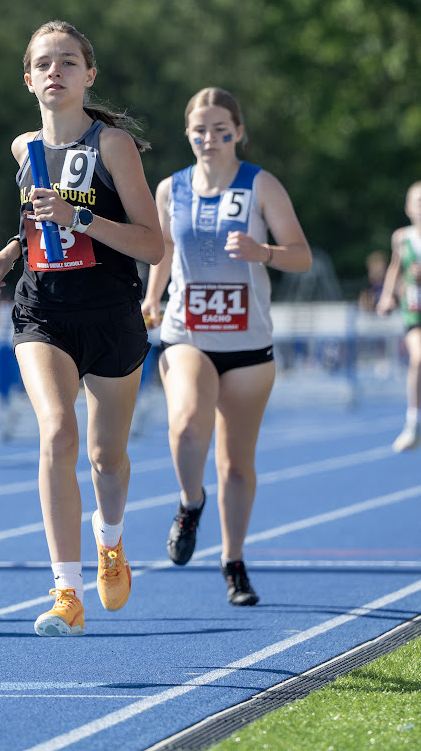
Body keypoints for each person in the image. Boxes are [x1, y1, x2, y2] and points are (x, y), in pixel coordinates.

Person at [0, 21, 163, 636]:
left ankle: (111, 539)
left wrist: (84, 218)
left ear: (89, 75)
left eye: (68, 62)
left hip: (110, 314)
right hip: (41, 310)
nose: (56, 72)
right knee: (57, 434)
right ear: (27, 79)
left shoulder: (113, 147)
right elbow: (35, 222)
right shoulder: (24, 149)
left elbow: (152, 246)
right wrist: (9, 253)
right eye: (44, 63)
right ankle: (65, 591)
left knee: (107, 458)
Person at [141, 87, 312, 606]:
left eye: (220, 129)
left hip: (248, 342)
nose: (209, 139)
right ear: (187, 134)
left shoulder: (261, 185)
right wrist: (151, 296)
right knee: (186, 423)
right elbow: (161, 251)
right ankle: (190, 504)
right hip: (186, 331)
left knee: (236, 463)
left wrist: (264, 252)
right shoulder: (172, 189)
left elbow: (301, 256)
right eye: (199, 130)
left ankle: (233, 561)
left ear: (238, 131)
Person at [376, 181, 421, 452]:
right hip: (414, 312)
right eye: (418, 202)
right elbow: (395, 267)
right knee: (418, 358)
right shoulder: (402, 238)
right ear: (407, 208)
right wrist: (387, 295)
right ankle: (413, 422)